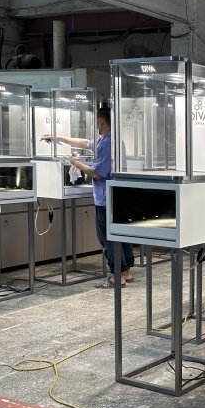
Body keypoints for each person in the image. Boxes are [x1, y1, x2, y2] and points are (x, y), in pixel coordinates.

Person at [43, 107, 134, 287]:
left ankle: (117, 275)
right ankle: (125, 271)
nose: (94, 123)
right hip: (117, 195)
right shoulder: (108, 140)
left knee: (106, 236)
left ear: (100, 121)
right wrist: (58, 138)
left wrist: (75, 163)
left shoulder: (108, 143)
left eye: (95, 120)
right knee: (119, 234)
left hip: (106, 197)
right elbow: (85, 143)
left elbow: (98, 174)